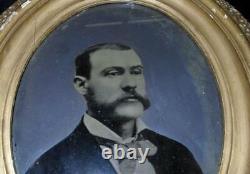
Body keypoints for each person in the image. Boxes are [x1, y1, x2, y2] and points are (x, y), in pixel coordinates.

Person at [26, 43, 203, 174]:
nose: (130, 84)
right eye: (113, 73)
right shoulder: (50, 167)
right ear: (82, 85)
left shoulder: (177, 153)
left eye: (136, 72)